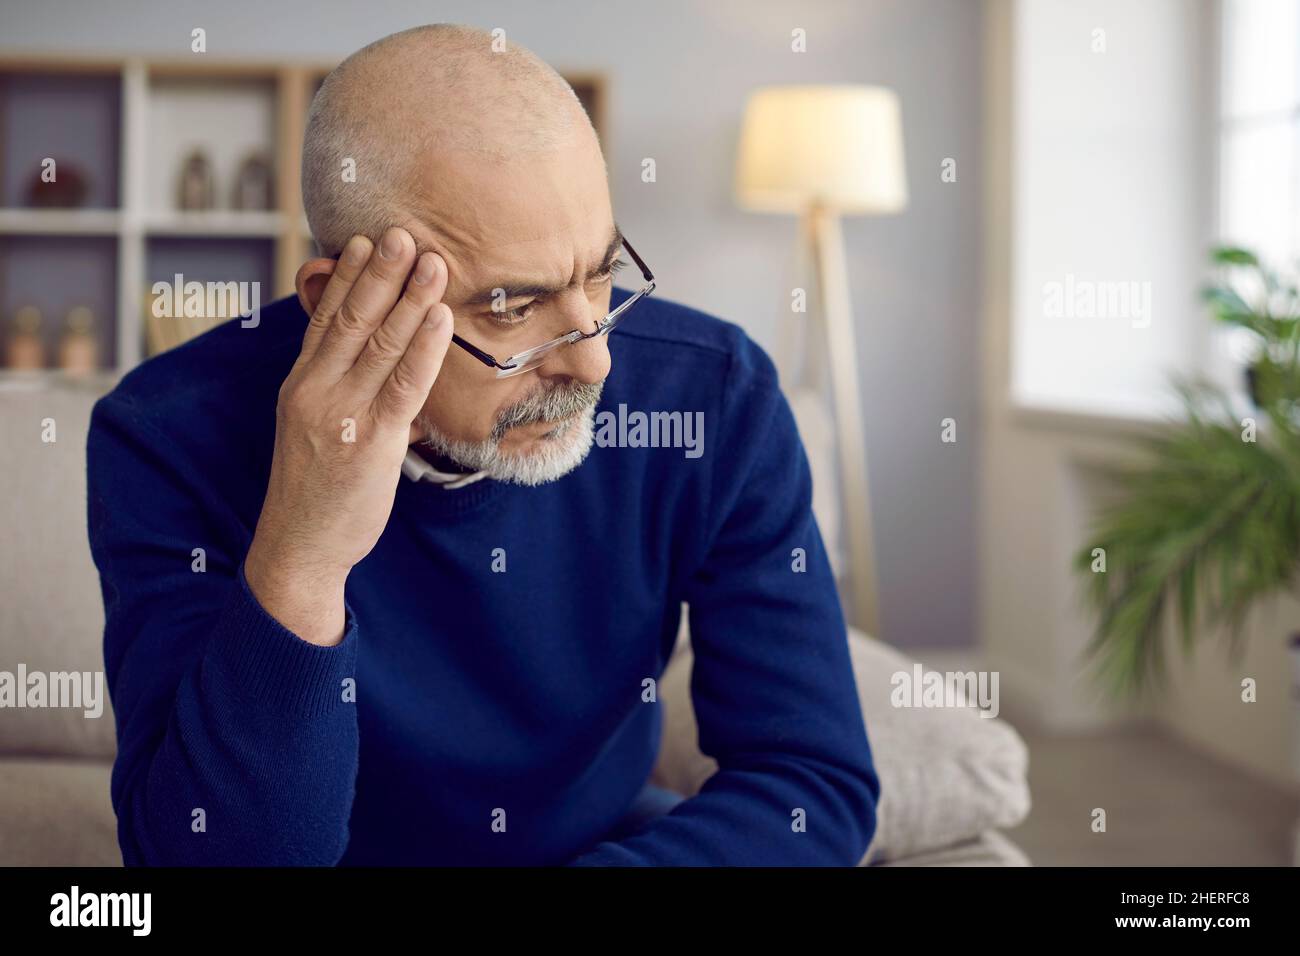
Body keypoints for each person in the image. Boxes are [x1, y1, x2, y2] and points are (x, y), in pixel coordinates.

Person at [88, 23, 878, 866]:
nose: (592, 359)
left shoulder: (716, 397)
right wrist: (304, 555)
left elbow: (812, 780)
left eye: (600, 271)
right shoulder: (165, 435)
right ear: (339, 302)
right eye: (511, 307)